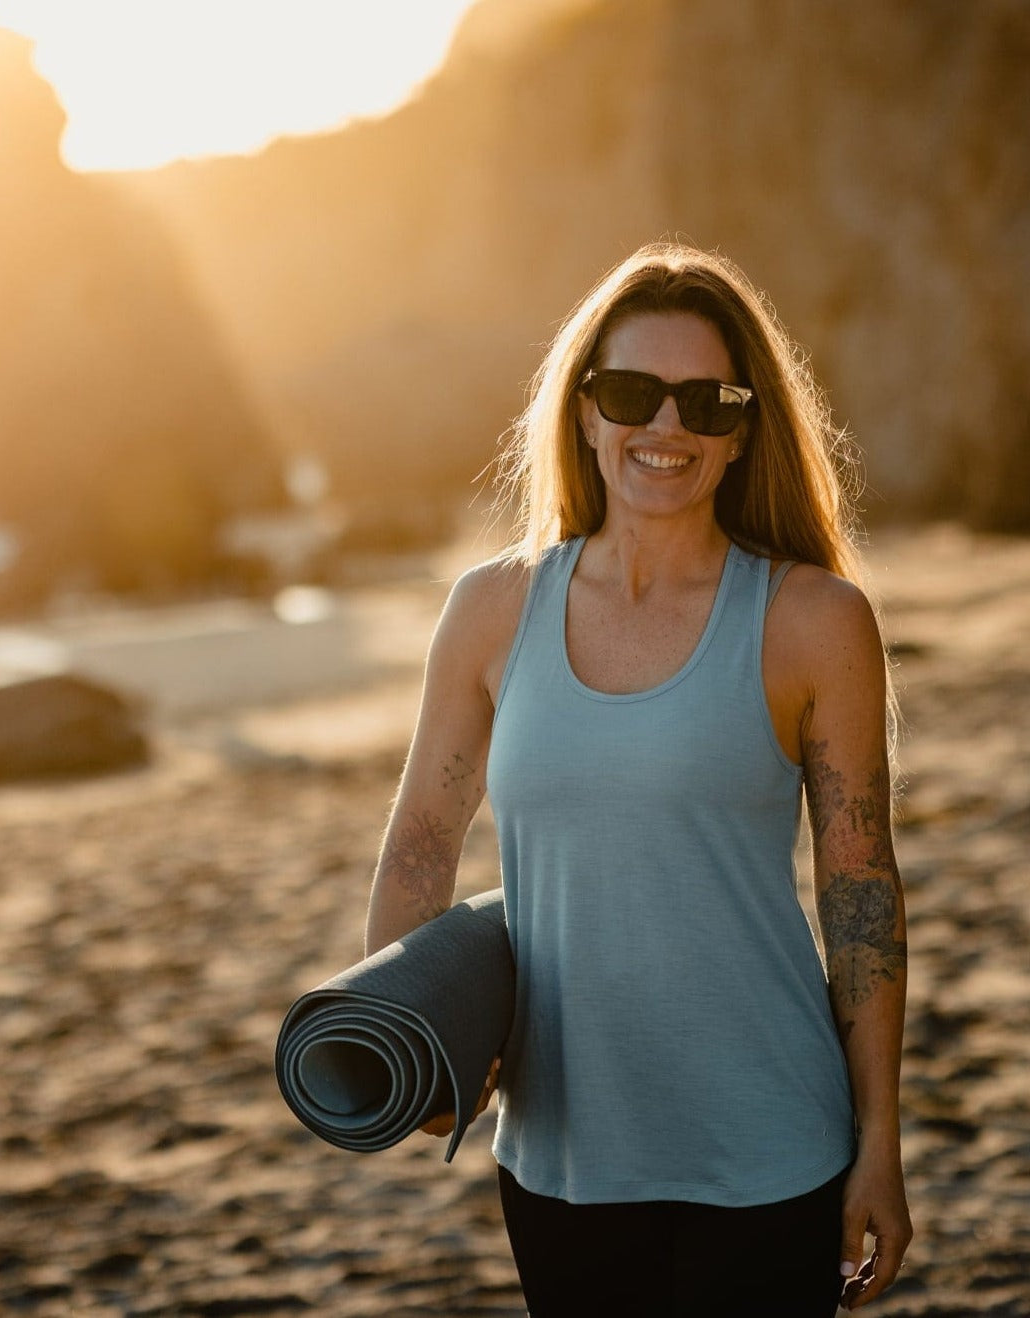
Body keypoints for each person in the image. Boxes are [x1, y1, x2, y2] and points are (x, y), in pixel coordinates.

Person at [365, 241, 912, 1315]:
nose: (666, 428)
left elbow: (861, 893)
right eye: (630, 393)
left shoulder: (815, 621)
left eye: (705, 402)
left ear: (743, 427)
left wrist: (880, 1140)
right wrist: (408, 1034)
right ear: (583, 412)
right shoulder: (490, 610)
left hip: (771, 1140)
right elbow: (422, 835)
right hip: (564, 1152)